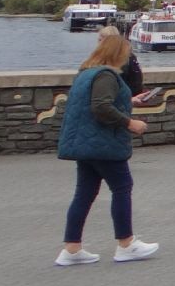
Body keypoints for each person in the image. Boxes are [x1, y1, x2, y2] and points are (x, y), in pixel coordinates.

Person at [55, 27, 159, 265]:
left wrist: (128, 100)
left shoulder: (86, 73)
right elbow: (101, 106)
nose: (127, 58)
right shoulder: (106, 75)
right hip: (103, 142)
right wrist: (130, 122)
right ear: (116, 53)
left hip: (84, 142)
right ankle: (126, 243)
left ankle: (71, 249)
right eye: (125, 53)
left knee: (84, 193)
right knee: (122, 187)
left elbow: (95, 102)